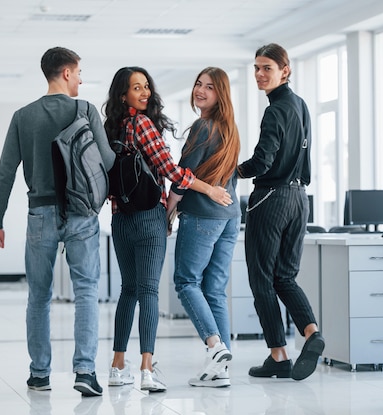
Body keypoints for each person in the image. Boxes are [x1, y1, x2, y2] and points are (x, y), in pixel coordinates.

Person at [0, 46, 115, 397]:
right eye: (79, 72)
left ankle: (40, 374)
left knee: (39, 296)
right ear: (68, 73)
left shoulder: (23, 116)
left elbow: (4, 174)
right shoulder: (85, 109)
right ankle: (85, 372)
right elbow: (105, 160)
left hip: (40, 212)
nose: (81, 79)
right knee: (87, 291)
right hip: (82, 213)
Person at [103, 66, 233, 393]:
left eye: (146, 86)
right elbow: (171, 170)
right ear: (124, 95)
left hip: (120, 219)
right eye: (137, 88)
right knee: (148, 292)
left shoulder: (110, 128)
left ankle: (118, 366)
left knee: (128, 290)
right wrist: (210, 190)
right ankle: (147, 369)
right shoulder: (143, 124)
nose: (145, 92)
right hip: (149, 217)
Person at [237, 43, 325, 381]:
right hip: (299, 199)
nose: (260, 75)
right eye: (256, 68)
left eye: (267, 68)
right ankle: (311, 333)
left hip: (270, 198)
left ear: (284, 71)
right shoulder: (300, 105)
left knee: (261, 279)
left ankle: (278, 355)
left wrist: (233, 170)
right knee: (284, 276)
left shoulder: (275, 110)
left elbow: (263, 160)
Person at [166, 67, 241, 388]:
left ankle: (215, 346)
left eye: (209, 87)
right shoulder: (230, 129)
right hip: (230, 215)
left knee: (185, 282)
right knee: (213, 290)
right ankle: (220, 369)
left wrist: (169, 209)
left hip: (204, 216)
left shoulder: (203, 127)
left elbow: (183, 174)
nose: (201, 90)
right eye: (198, 84)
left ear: (219, 94)